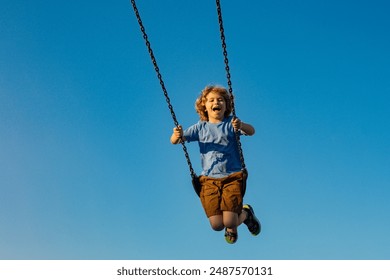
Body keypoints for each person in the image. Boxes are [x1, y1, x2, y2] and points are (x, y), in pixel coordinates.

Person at [170, 85, 261, 244]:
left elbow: (252, 131)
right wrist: (176, 135)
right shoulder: (200, 127)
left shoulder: (230, 123)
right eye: (211, 100)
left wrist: (241, 126)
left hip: (232, 177)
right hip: (209, 180)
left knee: (230, 221)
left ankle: (246, 214)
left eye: (220, 100)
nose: (216, 102)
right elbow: (176, 141)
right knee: (217, 225)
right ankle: (233, 219)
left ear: (226, 105)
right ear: (204, 106)